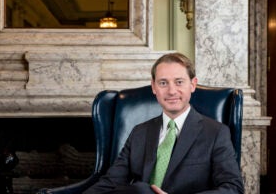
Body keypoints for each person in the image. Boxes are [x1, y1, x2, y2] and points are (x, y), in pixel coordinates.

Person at [83, 52, 244, 194]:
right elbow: (111, 183)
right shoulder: (139, 132)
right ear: (154, 87)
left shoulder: (216, 133)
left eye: (179, 82)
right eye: (163, 83)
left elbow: (233, 188)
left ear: (192, 84)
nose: (172, 91)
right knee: (141, 190)